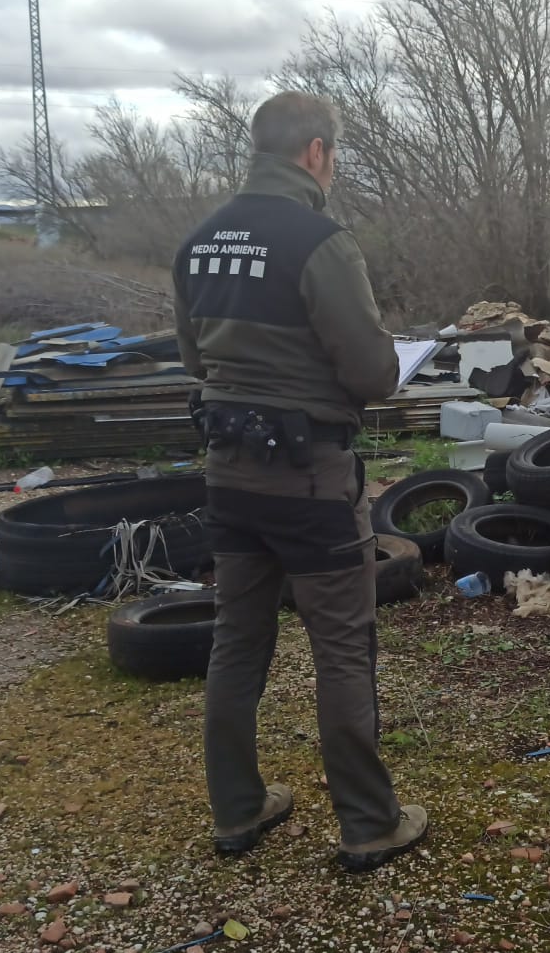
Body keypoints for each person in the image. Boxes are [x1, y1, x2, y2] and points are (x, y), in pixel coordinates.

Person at [171, 91, 428, 873]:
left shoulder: (198, 242)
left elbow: (195, 360)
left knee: (237, 643)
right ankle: (368, 824)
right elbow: (372, 372)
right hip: (311, 480)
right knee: (343, 648)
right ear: (316, 152)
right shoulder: (320, 240)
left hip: (228, 474)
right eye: (336, 155)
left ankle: (238, 811)